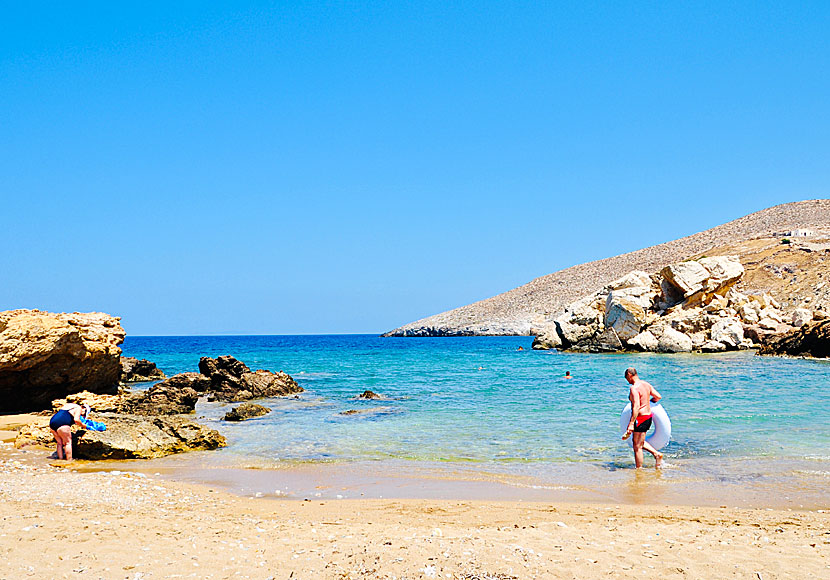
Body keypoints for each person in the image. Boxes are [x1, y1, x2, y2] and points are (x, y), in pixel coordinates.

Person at [621, 368, 663, 468]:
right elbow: (658, 396)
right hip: (648, 417)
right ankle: (656, 454)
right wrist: (649, 403)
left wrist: (631, 423)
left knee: (637, 446)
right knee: (639, 442)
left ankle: (639, 470)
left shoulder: (634, 388)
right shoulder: (646, 384)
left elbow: (636, 406)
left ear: (629, 374)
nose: (627, 381)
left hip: (640, 418)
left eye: (626, 378)